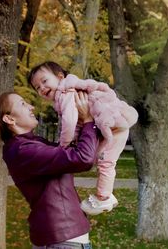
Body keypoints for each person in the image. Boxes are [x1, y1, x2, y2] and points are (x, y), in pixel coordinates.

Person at [0, 91, 100, 248]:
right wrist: (88, 121)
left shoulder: (31, 144)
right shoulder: (23, 150)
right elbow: (83, 158)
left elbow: (77, 153)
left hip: (64, 239)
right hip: (62, 241)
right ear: (9, 119)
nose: (31, 107)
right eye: (23, 104)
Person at [28, 61, 138, 215]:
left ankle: (104, 197)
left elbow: (70, 121)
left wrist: (63, 145)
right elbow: (79, 122)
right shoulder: (68, 92)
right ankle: (105, 195)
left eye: (44, 81)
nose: (42, 88)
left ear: (60, 77)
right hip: (113, 123)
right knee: (105, 162)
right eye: (37, 88)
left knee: (106, 163)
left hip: (113, 124)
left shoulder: (64, 93)